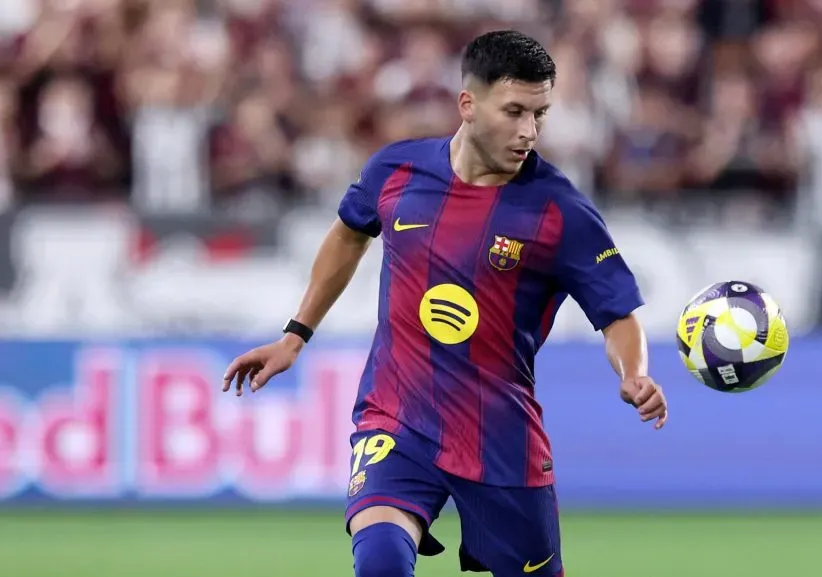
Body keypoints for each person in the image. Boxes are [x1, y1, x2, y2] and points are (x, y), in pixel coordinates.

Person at [222, 30, 669, 577]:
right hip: (396, 419)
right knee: (381, 561)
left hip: (500, 439)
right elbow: (348, 234)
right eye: (514, 112)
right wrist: (295, 335)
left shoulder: (561, 211)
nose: (529, 132)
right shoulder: (396, 171)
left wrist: (634, 373)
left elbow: (617, 311)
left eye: (540, 114)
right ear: (468, 104)